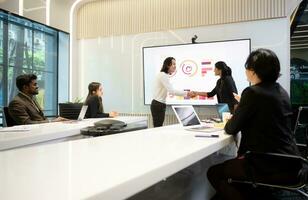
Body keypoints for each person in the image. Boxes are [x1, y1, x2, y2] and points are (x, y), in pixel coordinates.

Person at [207, 49, 300, 200]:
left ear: (253, 70)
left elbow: (231, 128)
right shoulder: (281, 91)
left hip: (266, 164)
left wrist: (238, 112)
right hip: (291, 161)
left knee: (214, 173)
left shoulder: (252, 92)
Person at [151, 57, 194, 127]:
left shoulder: (164, 75)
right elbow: (172, 91)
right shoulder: (163, 75)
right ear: (168, 65)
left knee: (158, 126)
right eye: (173, 64)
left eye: (175, 64)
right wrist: (187, 93)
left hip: (159, 104)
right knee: (158, 127)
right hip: (158, 104)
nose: (175, 66)